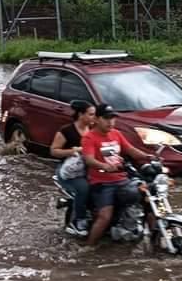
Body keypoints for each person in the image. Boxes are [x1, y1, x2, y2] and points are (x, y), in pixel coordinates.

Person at [81, 103, 154, 246]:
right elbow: (88, 159)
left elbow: (131, 150)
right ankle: (89, 248)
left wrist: (149, 157)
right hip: (102, 183)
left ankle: (154, 238)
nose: (111, 122)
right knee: (105, 216)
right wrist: (104, 166)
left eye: (113, 118)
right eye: (106, 118)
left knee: (149, 200)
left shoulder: (116, 134)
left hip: (122, 179)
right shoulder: (89, 138)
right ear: (96, 119)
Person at [51, 100, 96, 236]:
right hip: (69, 172)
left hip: (88, 169)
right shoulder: (66, 131)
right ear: (81, 115)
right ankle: (78, 221)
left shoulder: (93, 130)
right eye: (91, 115)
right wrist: (72, 151)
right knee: (84, 189)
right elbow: (53, 151)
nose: (94, 118)